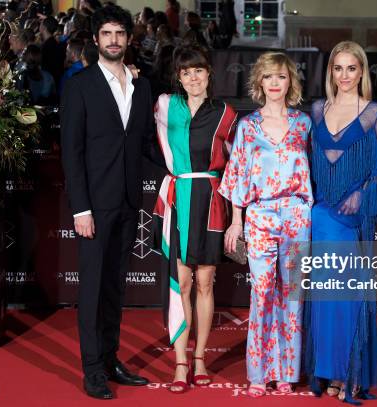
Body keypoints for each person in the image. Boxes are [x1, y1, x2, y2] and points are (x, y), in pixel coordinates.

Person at [60, 5, 154, 399]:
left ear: (129, 39)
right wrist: (80, 208)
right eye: (107, 34)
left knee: (115, 286)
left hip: (129, 202)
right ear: (96, 39)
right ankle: (93, 369)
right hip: (94, 207)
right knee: (94, 288)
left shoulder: (142, 86)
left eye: (120, 33)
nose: (114, 40)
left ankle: (112, 358)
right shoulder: (79, 85)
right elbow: (71, 151)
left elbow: (147, 142)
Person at [304, 41, 377, 404]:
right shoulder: (315, 110)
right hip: (322, 216)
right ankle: (325, 370)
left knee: (348, 298)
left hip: (353, 220)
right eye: (338, 68)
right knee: (325, 300)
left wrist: (362, 195)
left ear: (362, 71)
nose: (344, 76)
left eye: (351, 68)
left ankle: (349, 372)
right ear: (331, 73)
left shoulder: (373, 113)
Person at [218, 52, 313, 397]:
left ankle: (286, 371)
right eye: (269, 77)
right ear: (260, 82)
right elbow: (237, 175)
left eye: (282, 77)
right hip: (259, 216)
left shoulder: (304, 124)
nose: (275, 83)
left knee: (291, 295)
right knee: (261, 294)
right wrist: (235, 222)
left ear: (291, 82)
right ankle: (258, 373)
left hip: (297, 216)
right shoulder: (248, 126)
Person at [152, 45, 237, 394]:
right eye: (186, 72)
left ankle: (200, 358)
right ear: (179, 77)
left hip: (211, 201)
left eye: (198, 70)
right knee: (182, 284)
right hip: (178, 199)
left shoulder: (226, 114)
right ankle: (181, 362)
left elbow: (235, 165)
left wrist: (237, 216)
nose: (193, 77)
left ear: (209, 74)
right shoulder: (164, 106)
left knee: (205, 283)